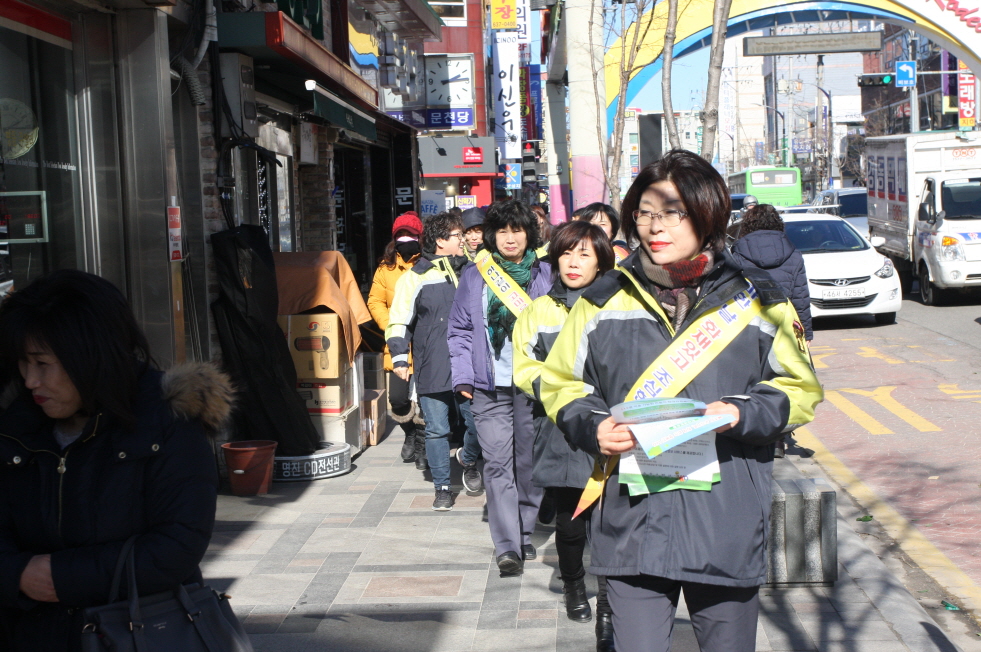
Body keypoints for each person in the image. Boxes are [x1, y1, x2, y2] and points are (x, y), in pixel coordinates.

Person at [539, 150, 823, 652]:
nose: (655, 227)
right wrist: (592, 425)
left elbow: (800, 388)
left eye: (673, 213)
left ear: (708, 216)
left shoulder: (758, 300)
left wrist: (742, 412)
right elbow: (562, 383)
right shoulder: (603, 299)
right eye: (645, 213)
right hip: (631, 519)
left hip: (725, 519)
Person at [0, 270, 234, 651]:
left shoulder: (167, 418)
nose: (30, 380)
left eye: (42, 363)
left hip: (140, 634)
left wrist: (61, 577)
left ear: (89, 356)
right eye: (23, 364)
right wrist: (16, 575)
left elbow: (178, 543)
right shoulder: (15, 426)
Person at [512, 221, 616, 650]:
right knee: (571, 523)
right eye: (567, 253)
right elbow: (524, 368)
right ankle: (574, 585)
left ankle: (609, 600)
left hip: (613, 429)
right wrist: (565, 399)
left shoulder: (618, 306)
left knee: (611, 522)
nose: (574, 262)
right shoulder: (538, 311)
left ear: (602, 262)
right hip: (561, 430)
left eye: (585, 254)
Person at [448, 200, 551, 576]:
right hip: (488, 387)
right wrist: (462, 375)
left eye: (517, 230)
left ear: (529, 233)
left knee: (528, 463)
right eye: (502, 231)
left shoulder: (547, 274)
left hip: (533, 387)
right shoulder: (475, 274)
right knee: (496, 463)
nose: (510, 238)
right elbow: (460, 329)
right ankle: (507, 545)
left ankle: (524, 531)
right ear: (491, 235)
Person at [387, 212, 483, 510]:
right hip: (432, 362)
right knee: (437, 429)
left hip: (470, 363)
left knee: (478, 422)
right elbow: (399, 320)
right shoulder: (414, 277)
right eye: (457, 235)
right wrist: (400, 358)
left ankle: (468, 459)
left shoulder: (474, 270)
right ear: (441, 240)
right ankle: (442, 487)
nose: (464, 239)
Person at [368, 211, 427, 469]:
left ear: (419, 237)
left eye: (410, 234)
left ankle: (423, 443)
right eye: (400, 235)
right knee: (399, 399)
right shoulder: (386, 268)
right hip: (398, 344)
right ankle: (409, 433)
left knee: (426, 399)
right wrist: (391, 326)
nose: (405, 239)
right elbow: (375, 301)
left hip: (426, 342)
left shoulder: (429, 264)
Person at [731, 204, 812, 341]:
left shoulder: (738, 254)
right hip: (784, 328)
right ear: (778, 223)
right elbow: (800, 299)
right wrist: (806, 333)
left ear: (747, 225)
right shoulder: (794, 254)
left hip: (751, 328)